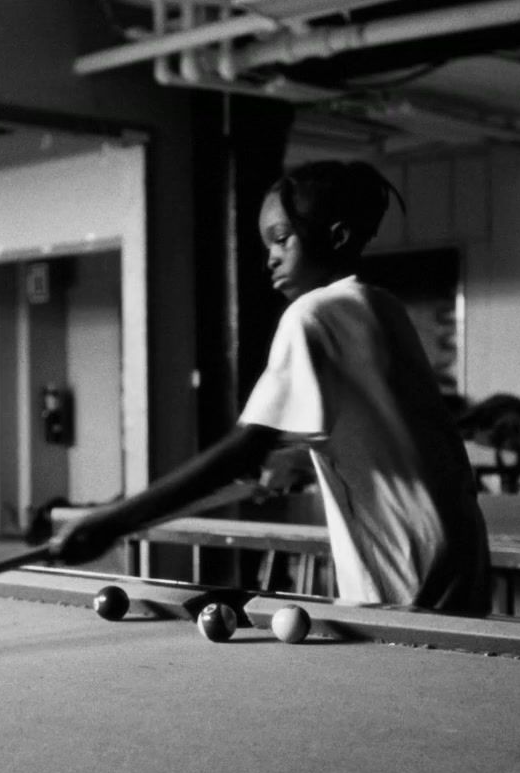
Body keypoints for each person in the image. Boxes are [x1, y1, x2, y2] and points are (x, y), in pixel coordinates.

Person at [53, 160, 491, 614]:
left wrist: (113, 521)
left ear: (337, 237)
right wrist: (302, 458)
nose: (271, 257)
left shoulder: (311, 315)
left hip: (405, 568)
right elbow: (393, 438)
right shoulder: (381, 306)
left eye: (282, 239)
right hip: (458, 554)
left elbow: (245, 449)